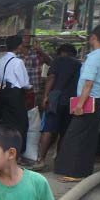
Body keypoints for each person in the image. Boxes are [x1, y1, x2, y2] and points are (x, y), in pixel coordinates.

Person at [55, 24, 100, 182]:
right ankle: (84, 170)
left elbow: (88, 83)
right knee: (89, 136)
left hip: (87, 101)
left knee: (75, 136)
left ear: (94, 37)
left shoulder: (94, 57)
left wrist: (80, 104)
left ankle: (74, 172)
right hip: (97, 100)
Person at [32, 44, 81, 172]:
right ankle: (59, 161)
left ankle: (41, 160)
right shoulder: (79, 64)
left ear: (61, 53)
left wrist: (46, 96)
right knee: (64, 132)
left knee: (48, 129)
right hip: (72, 100)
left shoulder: (58, 61)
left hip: (56, 99)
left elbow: (51, 77)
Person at [0, 35, 31, 154]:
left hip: (3, 92)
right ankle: (19, 152)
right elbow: (24, 82)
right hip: (15, 94)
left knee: (6, 123)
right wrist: (30, 87)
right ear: (19, 46)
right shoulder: (17, 62)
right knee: (21, 123)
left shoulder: (1, 60)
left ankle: (5, 149)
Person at [17, 29, 52, 108]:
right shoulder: (16, 53)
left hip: (35, 90)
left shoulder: (36, 51)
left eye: (29, 37)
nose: (28, 39)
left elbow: (50, 63)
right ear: (19, 38)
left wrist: (41, 51)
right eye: (25, 37)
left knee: (33, 114)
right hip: (20, 90)